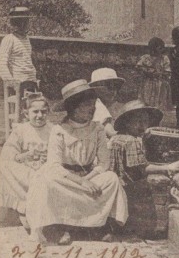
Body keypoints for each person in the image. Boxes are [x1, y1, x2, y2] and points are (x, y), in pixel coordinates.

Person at [25, 80, 128, 245]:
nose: (92, 108)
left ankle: (97, 225)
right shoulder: (59, 131)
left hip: (89, 175)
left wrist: (88, 179)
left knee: (111, 179)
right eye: (86, 104)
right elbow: (54, 166)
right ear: (73, 108)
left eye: (93, 103)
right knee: (46, 181)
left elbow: (104, 162)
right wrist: (80, 181)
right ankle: (58, 226)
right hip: (65, 179)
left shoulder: (97, 129)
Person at [109, 100, 179, 237]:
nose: (142, 126)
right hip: (130, 186)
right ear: (127, 123)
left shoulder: (117, 138)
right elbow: (143, 168)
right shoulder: (131, 141)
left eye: (145, 122)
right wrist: (169, 167)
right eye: (137, 122)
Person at [0, 92, 53, 221]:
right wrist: (26, 155)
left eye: (43, 112)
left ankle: (34, 209)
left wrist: (48, 157)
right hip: (26, 173)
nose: (40, 116)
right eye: (35, 112)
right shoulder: (21, 130)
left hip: (46, 171)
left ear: (48, 112)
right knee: (3, 166)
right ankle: (24, 204)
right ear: (26, 113)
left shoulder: (53, 130)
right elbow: (8, 155)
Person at [0, 6, 40, 120]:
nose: (24, 24)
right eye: (19, 22)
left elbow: (27, 61)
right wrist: (11, 82)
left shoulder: (26, 39)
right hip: (18, 84)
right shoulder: (9, 39)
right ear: (14, 23)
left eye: (25, 21)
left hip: (31, 83)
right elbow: (1, 64)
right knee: (20, 117)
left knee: (33, 115)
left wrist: (34, 79)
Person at [136, 37, 172, 111]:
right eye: (159, 48)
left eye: (162, 48)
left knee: (158, 101)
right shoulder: (146, 58)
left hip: (159, 83)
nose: (161, 50)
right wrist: (146, 71)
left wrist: (161, 73)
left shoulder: (164, 58)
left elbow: (167, 71)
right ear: (152, 48)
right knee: (146, 101)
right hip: (148, 83)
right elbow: (139, 67)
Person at [89, 67, 125, 140]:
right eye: (109, 87)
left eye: (116, 87)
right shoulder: (96, 105)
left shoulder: (113, 107)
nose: (113, 91)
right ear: (96, 89)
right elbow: (111, 132)